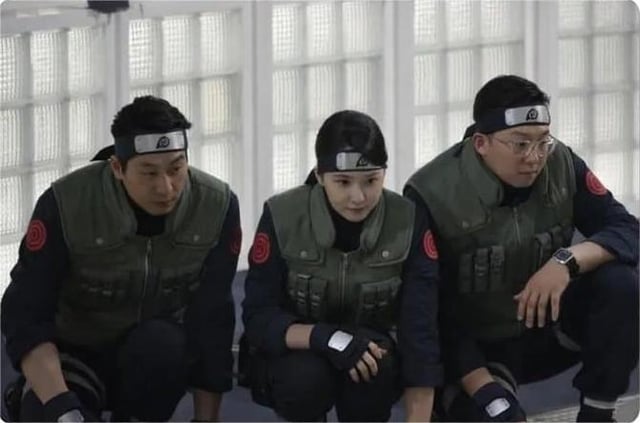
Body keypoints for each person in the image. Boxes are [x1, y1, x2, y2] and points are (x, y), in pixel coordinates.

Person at [404, 74, 639, 422]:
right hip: (475, 354)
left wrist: (565, 261)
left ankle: (598, 412)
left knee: (622, 284)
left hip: (548, 333)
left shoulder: (561, 163)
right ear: (481, 143)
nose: (535, 157)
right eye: (520, 144)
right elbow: (426, 310)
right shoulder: (430, 194)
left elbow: (626, 229)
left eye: (543, 142)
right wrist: (479, 382)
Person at [1, 96, 241, 422]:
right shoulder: (66, 205)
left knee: (165, 343)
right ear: (117, 167)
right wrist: (61, 408)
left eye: (176, 169)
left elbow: (213, 320)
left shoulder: (216, 207)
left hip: (151, 358)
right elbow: (25, 314)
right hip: (73, 355)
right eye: (149, 173)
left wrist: (206, 420)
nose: (166, 188)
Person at [240, 110, 442, 422]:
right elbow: (258, 318)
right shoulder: (282, 216)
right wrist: (326, 338)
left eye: (371, 181)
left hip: (371, 349)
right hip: (300, 351)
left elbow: (420, 329)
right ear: (320, 176)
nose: (358, 197)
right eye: (343, 182)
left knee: (374, 364)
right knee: (305, 379)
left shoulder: (408, 220)